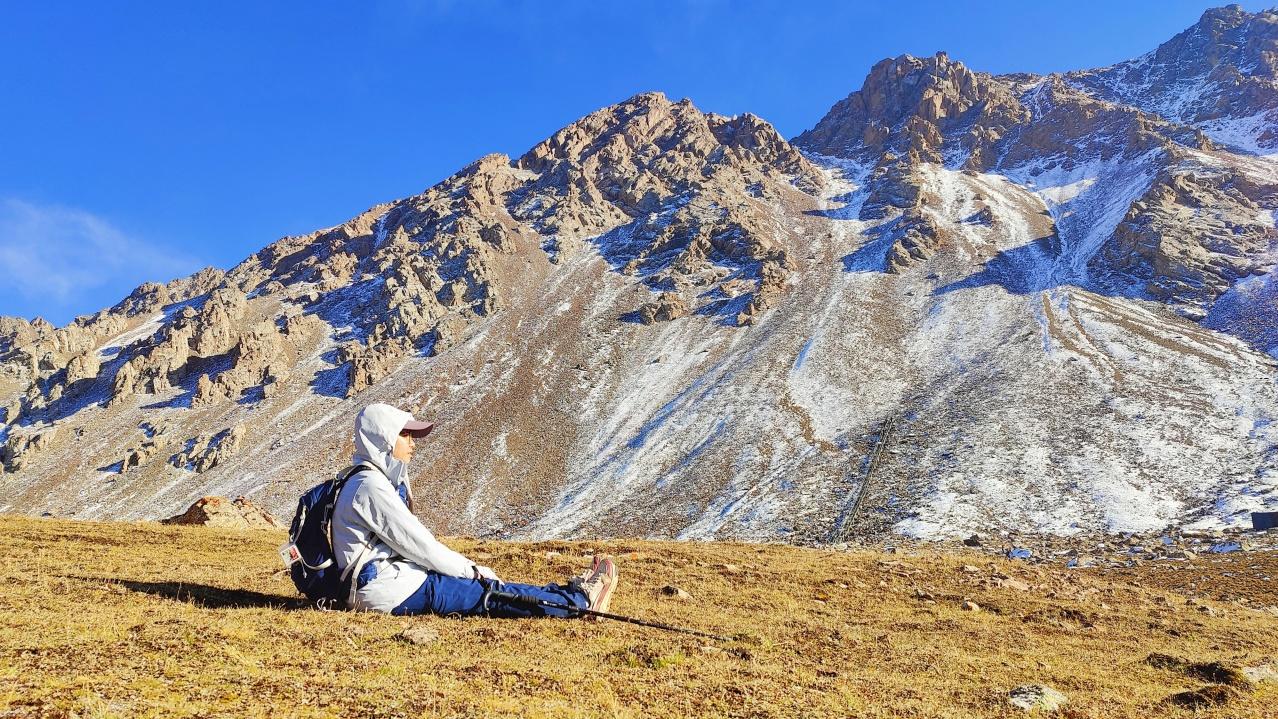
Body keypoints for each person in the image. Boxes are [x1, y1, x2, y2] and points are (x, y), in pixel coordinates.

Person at [331, 402, 618, 617]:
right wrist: (473, 571)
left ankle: (569, 595)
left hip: (390, 582)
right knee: (486, 593)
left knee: (484, 588)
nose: (412, 444)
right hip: (387, 589)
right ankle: (580, 603)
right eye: (405, 435)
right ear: (383, 439)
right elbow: (419, 545)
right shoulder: (370, 487)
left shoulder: (365, 480)